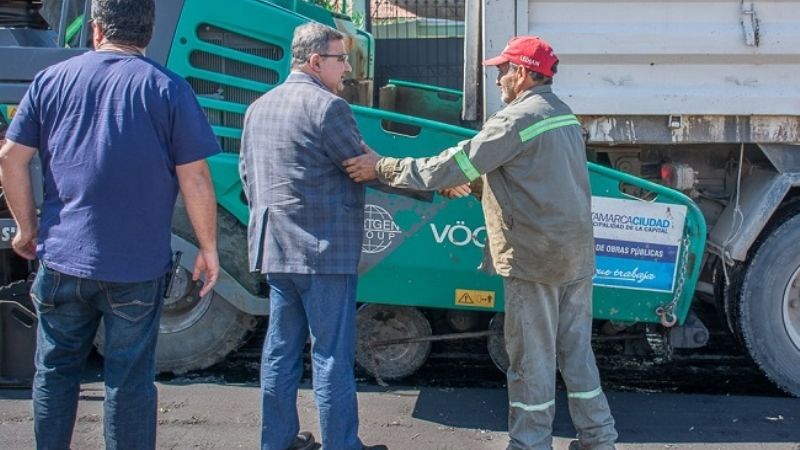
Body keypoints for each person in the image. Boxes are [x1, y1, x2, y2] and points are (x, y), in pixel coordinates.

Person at [343, 36, 619, 450]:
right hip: (574, 254)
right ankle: (598, 439)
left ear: (523, 74)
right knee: (575, 352)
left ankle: (529, 444)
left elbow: (454, 164)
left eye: (502, 71)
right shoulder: (560, 113)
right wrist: (476, 186)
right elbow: (534, 177)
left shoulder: (515, 119)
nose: (498, 79)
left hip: (534, 257)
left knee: (530, 359)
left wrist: (382, 167)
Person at [0, 0, 221, 448]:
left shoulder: (51, 80)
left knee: (56, 372)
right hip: (136, 268)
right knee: (129, 380)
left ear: (96, 29)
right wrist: (208, 248)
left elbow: (10, 158)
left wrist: (26, 228)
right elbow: (195, 177)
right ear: (148, 33)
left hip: (62, 259)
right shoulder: (169, 89)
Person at [240, 22, 398, 450]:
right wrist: (428, 181)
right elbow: (362, 165)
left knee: (280, 352)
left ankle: (277, 442)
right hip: (324, 253)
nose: (347, 68)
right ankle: (341, 445)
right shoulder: (328, 108)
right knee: (330, 356)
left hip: (275, 249)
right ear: (315, 62)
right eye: (341, 58)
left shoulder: (259, 107)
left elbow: (247, 177)